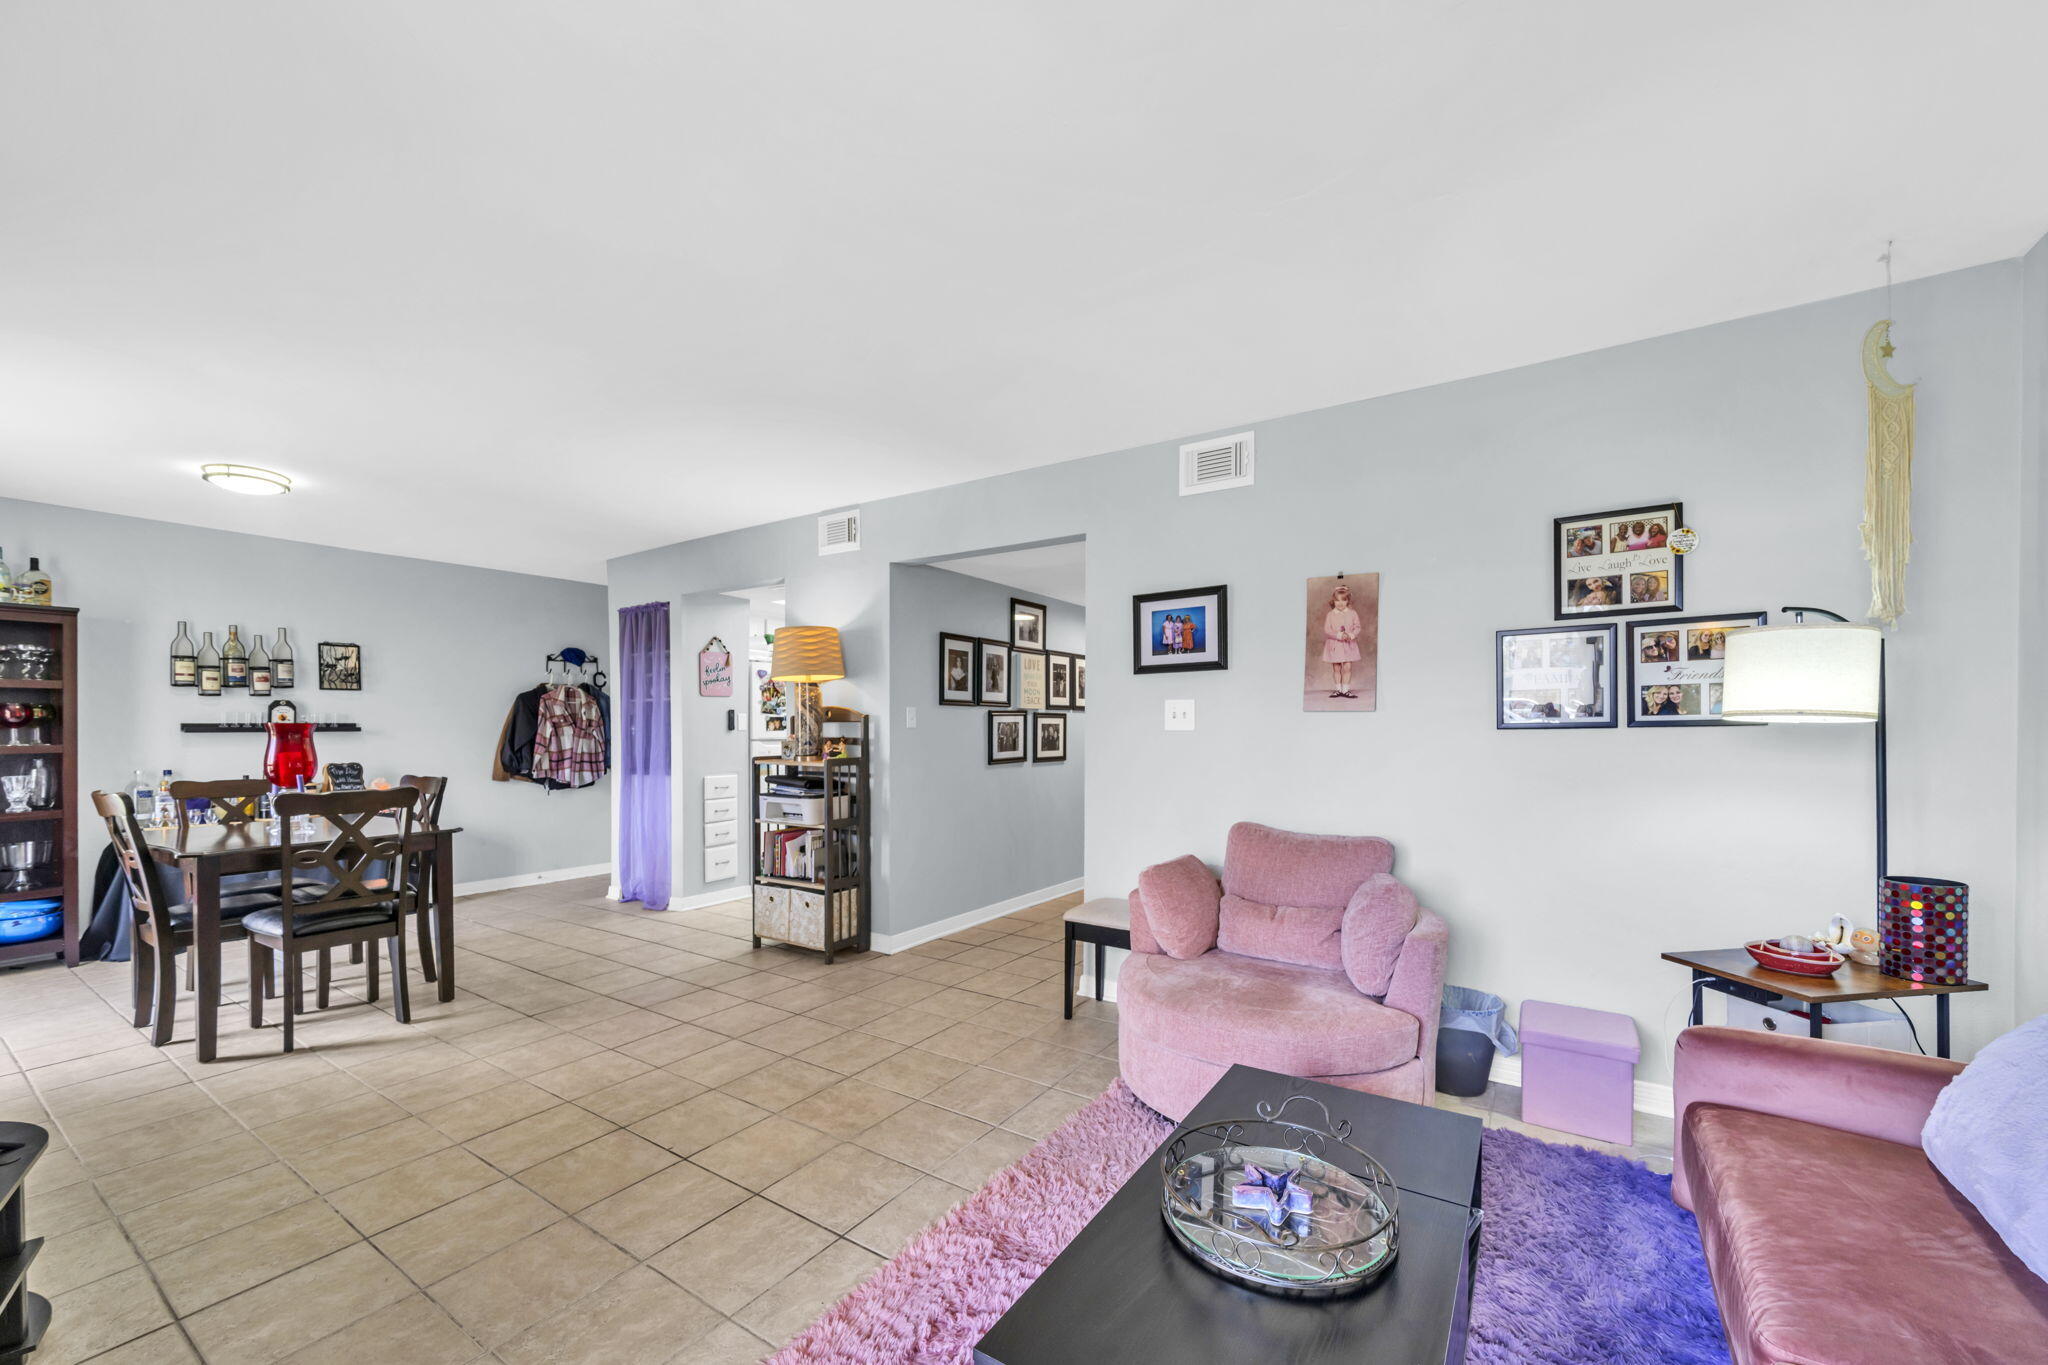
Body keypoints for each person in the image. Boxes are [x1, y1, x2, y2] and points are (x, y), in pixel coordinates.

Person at [1321, 582, 1363, 698]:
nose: (1340, 603)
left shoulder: (1352, 613)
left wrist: (1350, 635)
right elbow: (1327, 630)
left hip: (1348, 644)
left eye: (1343, 600)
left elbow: (1357, 627)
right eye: (1337, 600)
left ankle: (1345, 690)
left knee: (1348, 667)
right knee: (1336, 667)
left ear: (1347, 601)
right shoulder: (1330, 614)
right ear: (1333, 601)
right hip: (1335, 645)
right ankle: (1338, 689)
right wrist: (1339, 635)